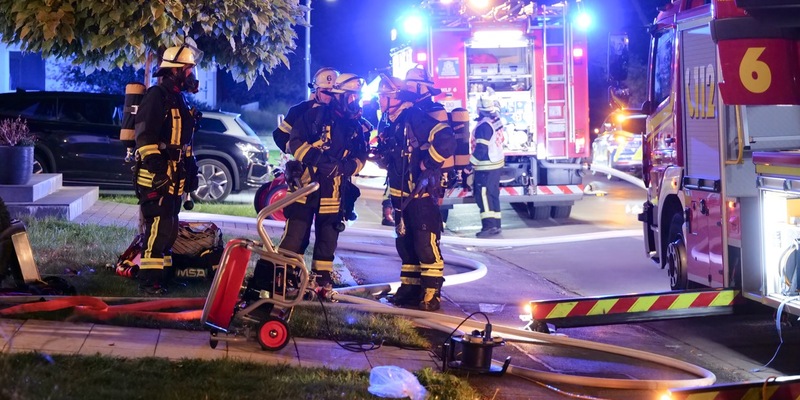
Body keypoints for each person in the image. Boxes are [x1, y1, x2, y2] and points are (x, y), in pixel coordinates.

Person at [246, 73, 369, 300]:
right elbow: (293, 142)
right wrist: (315, 161)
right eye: (350, 97)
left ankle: (321, 281)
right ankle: (283, 278)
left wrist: (343, 168)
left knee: (328, 239)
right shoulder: (310, 114)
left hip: (334, 191)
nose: (354, 102)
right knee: (295, 235)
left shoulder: (358, 126)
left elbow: (361, 156)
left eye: (356, 98)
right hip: (304, 187)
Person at [374, 74, 456, 312]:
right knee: (405, 244)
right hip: (400, 195)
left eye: (384, 97)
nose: (380, 101)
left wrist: (428, 161)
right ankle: (410, 289)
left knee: (424, 241)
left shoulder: (414, 117)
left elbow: (446, 139)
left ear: (397, 98)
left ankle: (432, 292)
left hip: (419, 195)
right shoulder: (390, 121)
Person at [133, 45, 202, 294]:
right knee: (159, 226)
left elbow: (183, 142)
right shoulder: (156, 95)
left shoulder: (178, 98)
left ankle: (164, 276)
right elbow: (144, 136)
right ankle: (148, 280)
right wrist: (158, 169)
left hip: (175, 175)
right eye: (188, 69)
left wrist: (191, 169)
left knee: (171, 228)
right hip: (156, 176)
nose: (192, 73)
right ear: (175, 71)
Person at [271, 67, 339, 154]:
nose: (329, 95)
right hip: (306, 165)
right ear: (316, 90)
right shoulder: (299, 110)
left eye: (332, 91)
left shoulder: (342, 113)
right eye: (325, 91)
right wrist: (301, 151)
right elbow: (280, 136)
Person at [470, 94, 505, 237]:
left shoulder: (483, 126)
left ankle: (489, 227)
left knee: (484, 195)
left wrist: (469, 164)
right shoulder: (495, 120)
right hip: (496, 164)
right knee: (493, 194)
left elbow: (481, 149)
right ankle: (496, 225)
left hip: (486, 166)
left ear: (479, 109)